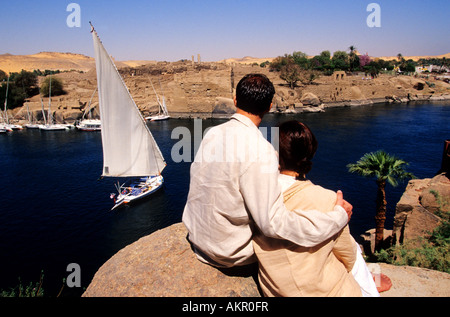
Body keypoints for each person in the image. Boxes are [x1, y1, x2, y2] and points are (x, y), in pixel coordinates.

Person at [182, 73, 352, 269]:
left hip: (198, 240)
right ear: (269, 106)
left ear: (235, 100)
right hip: (229, 253)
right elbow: (273, 224)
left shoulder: (212, 133)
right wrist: (337, 218)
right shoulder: (261, 150)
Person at [252, 120, 379, 296]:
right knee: (353, 247)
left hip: (275, 288)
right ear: (310, 154)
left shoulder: (257, 192)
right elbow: (347, 256)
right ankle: (372, 286)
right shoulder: (327, 199)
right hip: (324, 290)